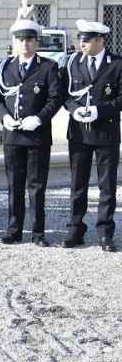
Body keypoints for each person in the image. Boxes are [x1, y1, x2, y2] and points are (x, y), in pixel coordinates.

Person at [0, 19, 63, 247]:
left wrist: (39, 119)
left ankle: (37, 232)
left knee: (36, 186)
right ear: (15, 41)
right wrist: (4, 117)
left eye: (30, 39)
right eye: (21, 39)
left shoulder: (47, 67)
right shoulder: (6, 66)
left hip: (36, 135)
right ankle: (14, 230)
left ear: (36, 42)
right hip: (12, 135)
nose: (25, 43)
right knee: (14, 184)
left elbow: (56, 98)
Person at [61, 20, 121, 252]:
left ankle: (105, 233)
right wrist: (74, 108)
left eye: (86, 40)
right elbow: (64, 94)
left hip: (106, 132)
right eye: (80, 40)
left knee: (106, 186)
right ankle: (75, 229)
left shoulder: (116, 64)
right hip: (78, 133)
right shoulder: (73, 63)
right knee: (77, 185)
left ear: (100, 40)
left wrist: (100, 110)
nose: (81, 44)